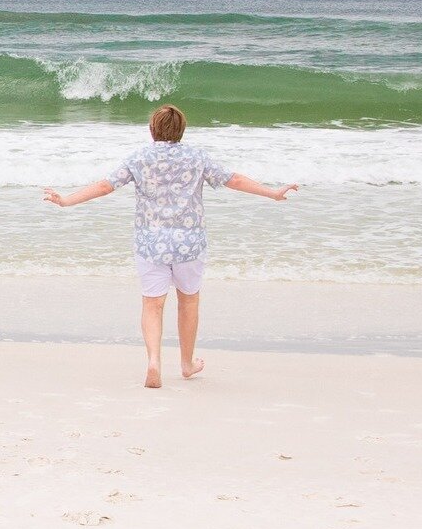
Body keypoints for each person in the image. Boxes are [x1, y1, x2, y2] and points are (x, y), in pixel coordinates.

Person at [43, 104, 297, 389]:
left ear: (152, 129)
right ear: (182, 130)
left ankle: (154, 362)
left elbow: (105, 187)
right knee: (188, 302)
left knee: (153, 304)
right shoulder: (196, 157)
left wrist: (66, 201)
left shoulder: (140, 157)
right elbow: (233, 180)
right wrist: (272, 193)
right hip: (189, 244)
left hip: (151, 244)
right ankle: (187, 364)